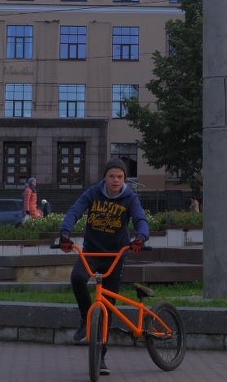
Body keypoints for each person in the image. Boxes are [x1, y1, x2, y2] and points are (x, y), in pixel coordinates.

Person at [59, 159, 150, 375]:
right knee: (77, 277)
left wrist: (141, 237)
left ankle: (101, 358)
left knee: (108, 306)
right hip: (92, 251)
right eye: (112, 176)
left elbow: (140, 219)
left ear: (124, 179)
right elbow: (75, 211)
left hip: (115, 256)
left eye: (119, 177)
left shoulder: (130, 198)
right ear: (105, 178)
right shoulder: (93, 193)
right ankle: (85, 319)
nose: (115, 180)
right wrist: (65, 233)